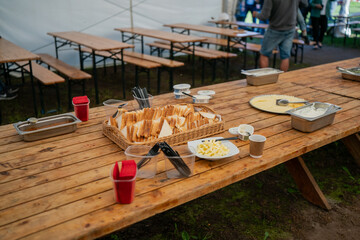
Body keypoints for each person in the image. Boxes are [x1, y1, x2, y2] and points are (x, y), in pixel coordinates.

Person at [253, 0, 308, 72]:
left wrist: (255, 14)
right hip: (290, 28)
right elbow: (305, 4)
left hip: (275, 28)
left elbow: (264, 16)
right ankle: (282, 79)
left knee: (264, 54)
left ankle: (265, 80)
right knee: (285, 56)